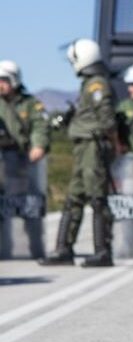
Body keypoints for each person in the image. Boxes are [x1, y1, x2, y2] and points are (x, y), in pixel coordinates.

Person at [40, 39, 119, 267]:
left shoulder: (96, 85)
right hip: (83, 146)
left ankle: (102, 250)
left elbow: (106, 118)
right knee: (74, 197)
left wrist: (107, 142)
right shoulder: (89, 84)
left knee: (97, 197)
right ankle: (64, 248)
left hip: (93, 146)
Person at [0, 60, 50, 258]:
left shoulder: (30, 104)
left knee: (31, 207)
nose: (0, 84)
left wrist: (38, 145)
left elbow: (40, 126)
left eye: (4, 80)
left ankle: (36, 250)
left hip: (23, 163)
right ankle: (4, 251)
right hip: (1, 163)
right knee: (2, 210)